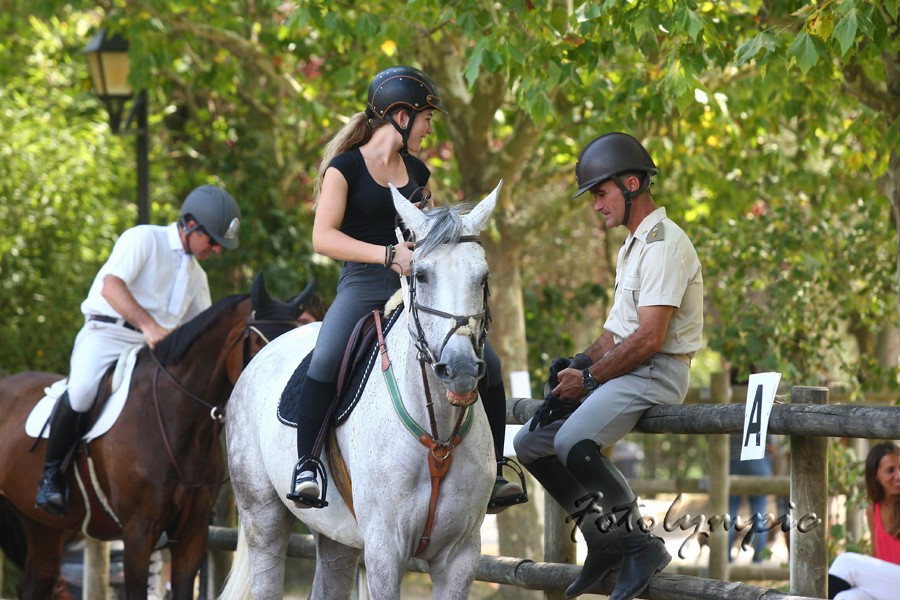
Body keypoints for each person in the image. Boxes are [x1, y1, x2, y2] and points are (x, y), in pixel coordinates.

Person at [286, 65, 525, 512]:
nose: (429, 129)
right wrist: (386, 255)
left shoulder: (417, 170)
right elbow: (323, 238)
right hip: (362, 284)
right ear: (400, 116)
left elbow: (429, 234)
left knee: (486, 360)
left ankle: (495, 470)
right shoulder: (344, 169)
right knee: (327, 356)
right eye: (426, 119)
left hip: (417, 287)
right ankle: (307, 465)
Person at [514, 132, 703, 600]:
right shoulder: (632, 246)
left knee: (572, 442)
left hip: (658, 371)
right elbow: (615, 335)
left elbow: (650, 338)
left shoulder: (663, 244)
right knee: (530, 443)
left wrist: (591, 378)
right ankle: (603, 540)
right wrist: (579, 363)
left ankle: (641, 545)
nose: (596, 205)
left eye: (600, 193)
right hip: (628, 369)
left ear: (631, 184)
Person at [35, 184, 241, 516]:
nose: (216, 249)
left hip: (155, 351)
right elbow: (111, 286)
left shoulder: (198, 278)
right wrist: (149, 326)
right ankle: (51, 478)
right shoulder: (144, 238)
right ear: (191, 225)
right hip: (107, 333)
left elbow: (201, 333)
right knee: (82, 391)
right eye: (214, 241)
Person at [828, 441, 900, 599]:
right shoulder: (873, 510)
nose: (898, 475)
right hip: (890, 587)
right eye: (890, 470)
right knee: (846, 597)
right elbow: (876, 558)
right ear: (875, 476)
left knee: (845, 563)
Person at [728, 433, 775, 563]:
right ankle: (758, 559)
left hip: (732, 458)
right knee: (759, 513)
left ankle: (724, 558)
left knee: (729, 513)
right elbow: (771, 441)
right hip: (758, 458)